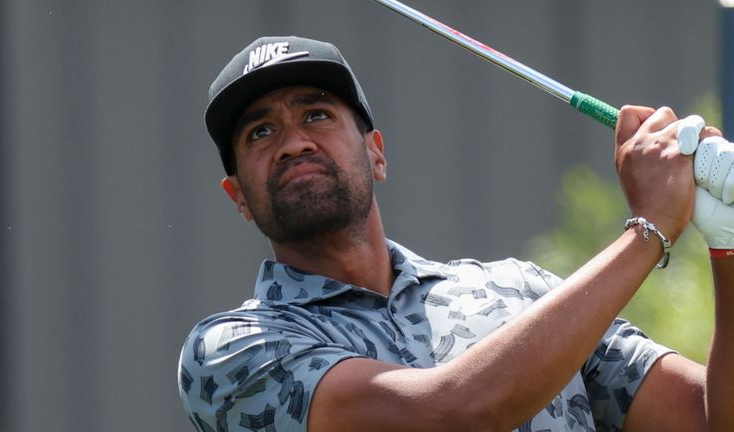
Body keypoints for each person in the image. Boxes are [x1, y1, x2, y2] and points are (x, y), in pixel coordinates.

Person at [178, 36, 734, 431]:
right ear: (240, 198)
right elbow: (454, 414)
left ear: (377, 154)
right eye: (261, 131)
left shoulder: (524, 291)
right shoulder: (232, 351)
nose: (294, 141)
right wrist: (650, 227)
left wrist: (727, 244)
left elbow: (709, 419)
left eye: (317, 115)